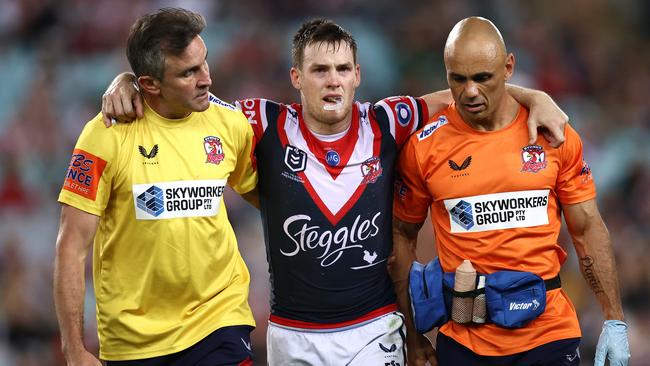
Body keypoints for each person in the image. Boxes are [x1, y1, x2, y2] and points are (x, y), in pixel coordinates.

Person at [101, 18, 569, 365]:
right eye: (320, 69)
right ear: (296, 78)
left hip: (373, 328)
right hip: (292, 334)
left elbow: (468, 94)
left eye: (343, 68)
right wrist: (129, 84)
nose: (333, 80)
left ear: (358, 75)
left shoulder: (389, 121)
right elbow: (186, 94)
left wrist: (535, 97)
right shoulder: (260, 122)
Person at [391, 16, 630, 366]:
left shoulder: (554, 134)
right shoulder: (424, 147)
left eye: (482, 78)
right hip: (465, 342)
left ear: (509, 67)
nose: (470, 91)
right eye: (458, 79)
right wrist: (410, 334)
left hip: (548, 334)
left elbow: (588, 227)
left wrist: (614, 318)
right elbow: (401, 235)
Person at [54, 8, 258, 365]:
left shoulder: (229, 124)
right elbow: (71, 245)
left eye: (204, 62)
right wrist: (73, 349)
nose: (206, 79)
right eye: (189, 72)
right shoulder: (105, 135)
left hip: (219, 321)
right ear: (149, 83)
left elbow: (268, 196)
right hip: (135, 340)